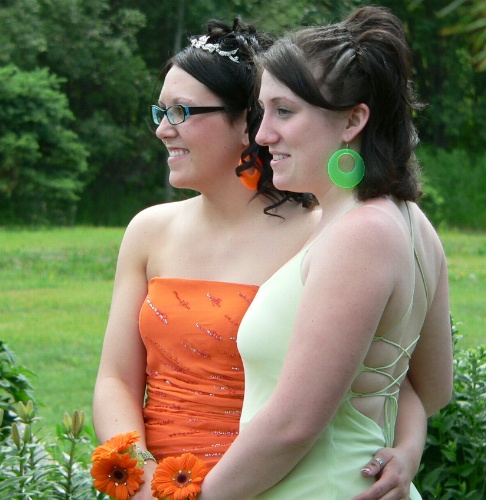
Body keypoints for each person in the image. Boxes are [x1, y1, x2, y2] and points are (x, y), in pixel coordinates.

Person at [92, 16, 435, 500]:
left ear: (245, 123)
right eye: (160, 111)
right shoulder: (148, 231)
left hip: (261, 482)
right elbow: (114, 378)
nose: (163, 129)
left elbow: (393, 372)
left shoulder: (326, 234)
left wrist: (406, 448)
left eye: (182, 111)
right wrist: (141, 476)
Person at [197, 7, 453, 500]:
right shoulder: (409, 222)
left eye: (285, 111)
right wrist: (407, 447)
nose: (262, 134)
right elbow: (433, 387)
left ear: (354, 120)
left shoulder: (360, 234)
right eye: (263, 110)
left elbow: (292, 425)